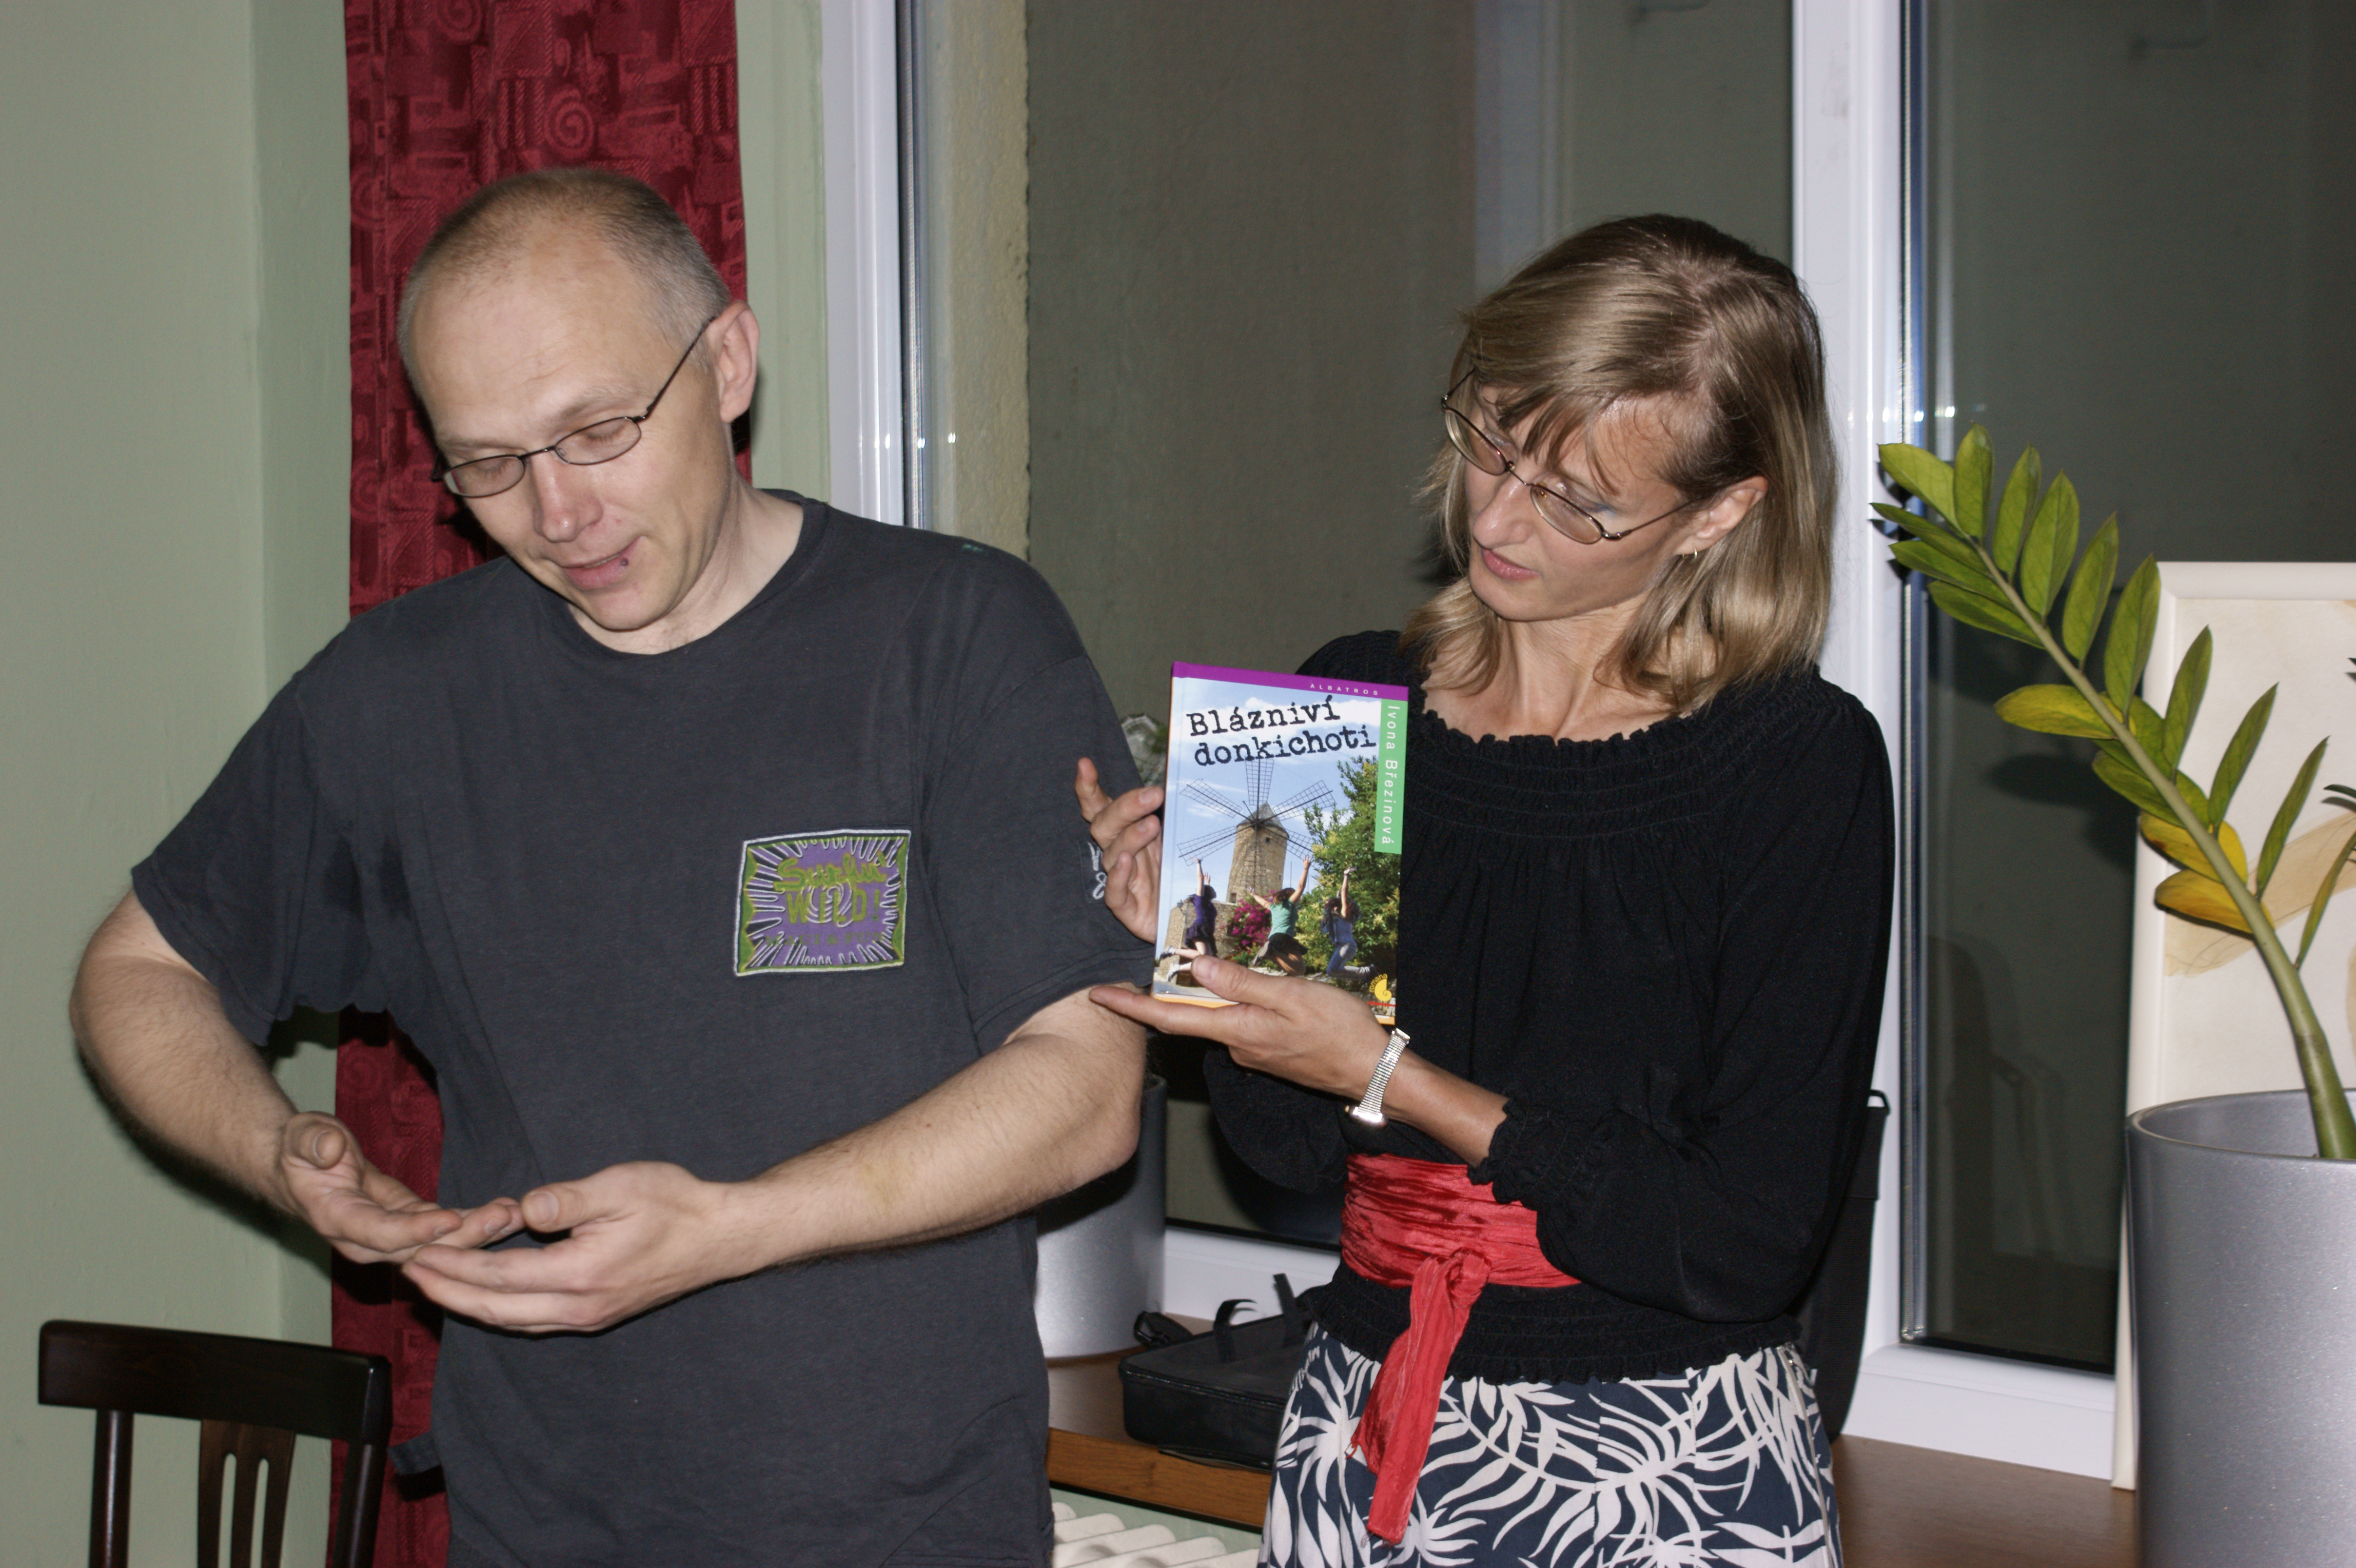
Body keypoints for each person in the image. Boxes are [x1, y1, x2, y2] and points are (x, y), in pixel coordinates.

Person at [69, 169, 1149, 1568]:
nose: (557, 510)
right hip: (538, 1525)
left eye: (596, 431)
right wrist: (280, 1155)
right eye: (488, 465)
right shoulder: (397, 698)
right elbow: (137, 970)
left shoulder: (954, 634)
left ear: (729, 364)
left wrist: (731, 1228)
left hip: (904, 1526)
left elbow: (1083, 1089)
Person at [1076, 215, 1891, 1565]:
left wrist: (1390, 1074)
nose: (1497, 519)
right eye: (1492, 445)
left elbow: (1742, 1242)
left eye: (1578, 502)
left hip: (1669, 1465)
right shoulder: (1348, 702)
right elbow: (1284, 1151)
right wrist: (1198, 937)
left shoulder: (1795, 764)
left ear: (1721, 513)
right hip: (1363, 1424)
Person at [1319, 868, 1367, 984]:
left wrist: (1346, 876)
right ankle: (1365, 976)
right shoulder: (1337, 919)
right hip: (1344, 946)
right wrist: (1338, 898)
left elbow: (1345, 892)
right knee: (1332, 972)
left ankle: (1367, 971)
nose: (1333, 909)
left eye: (1335, 907)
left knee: (1332, 970)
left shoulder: (1344, 915)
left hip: (1347, 946)